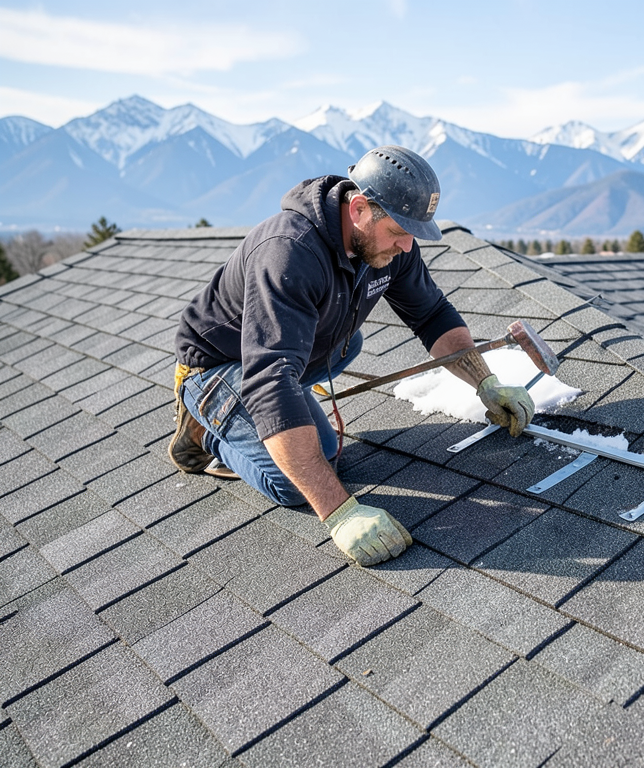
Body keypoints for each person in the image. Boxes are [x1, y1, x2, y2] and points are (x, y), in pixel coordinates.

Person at [169, 146, 534, 566]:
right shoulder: (288, 253)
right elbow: (270, 380)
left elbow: (432, 315)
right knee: (295, 482)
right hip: (217, 364)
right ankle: (206, 428)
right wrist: (339, 512)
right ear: (359, 208)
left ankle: (258, 420)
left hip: (276, 359)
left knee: (349, 343)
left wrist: (486, 382)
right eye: (398, 231)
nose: (406, 245)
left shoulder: (389, 242)